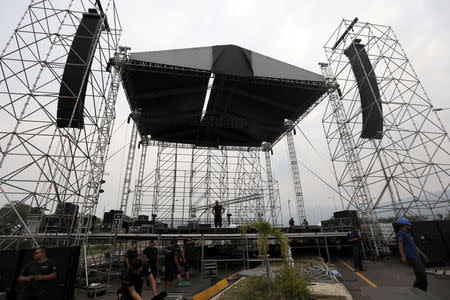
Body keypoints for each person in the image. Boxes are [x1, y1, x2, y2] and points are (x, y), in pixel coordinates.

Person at [397, 218, 429, 291]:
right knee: (423, 275)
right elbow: (400, 245)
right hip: (411, 257)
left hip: (417, 256)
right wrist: (403, 256)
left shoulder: (408, 233)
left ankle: (418, 290)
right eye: (408, 224)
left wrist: (423, 255)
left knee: (419, 275)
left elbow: (414, 245)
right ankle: (419, 289)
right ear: (404, 225)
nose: (410, 226)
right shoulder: (401, 233)